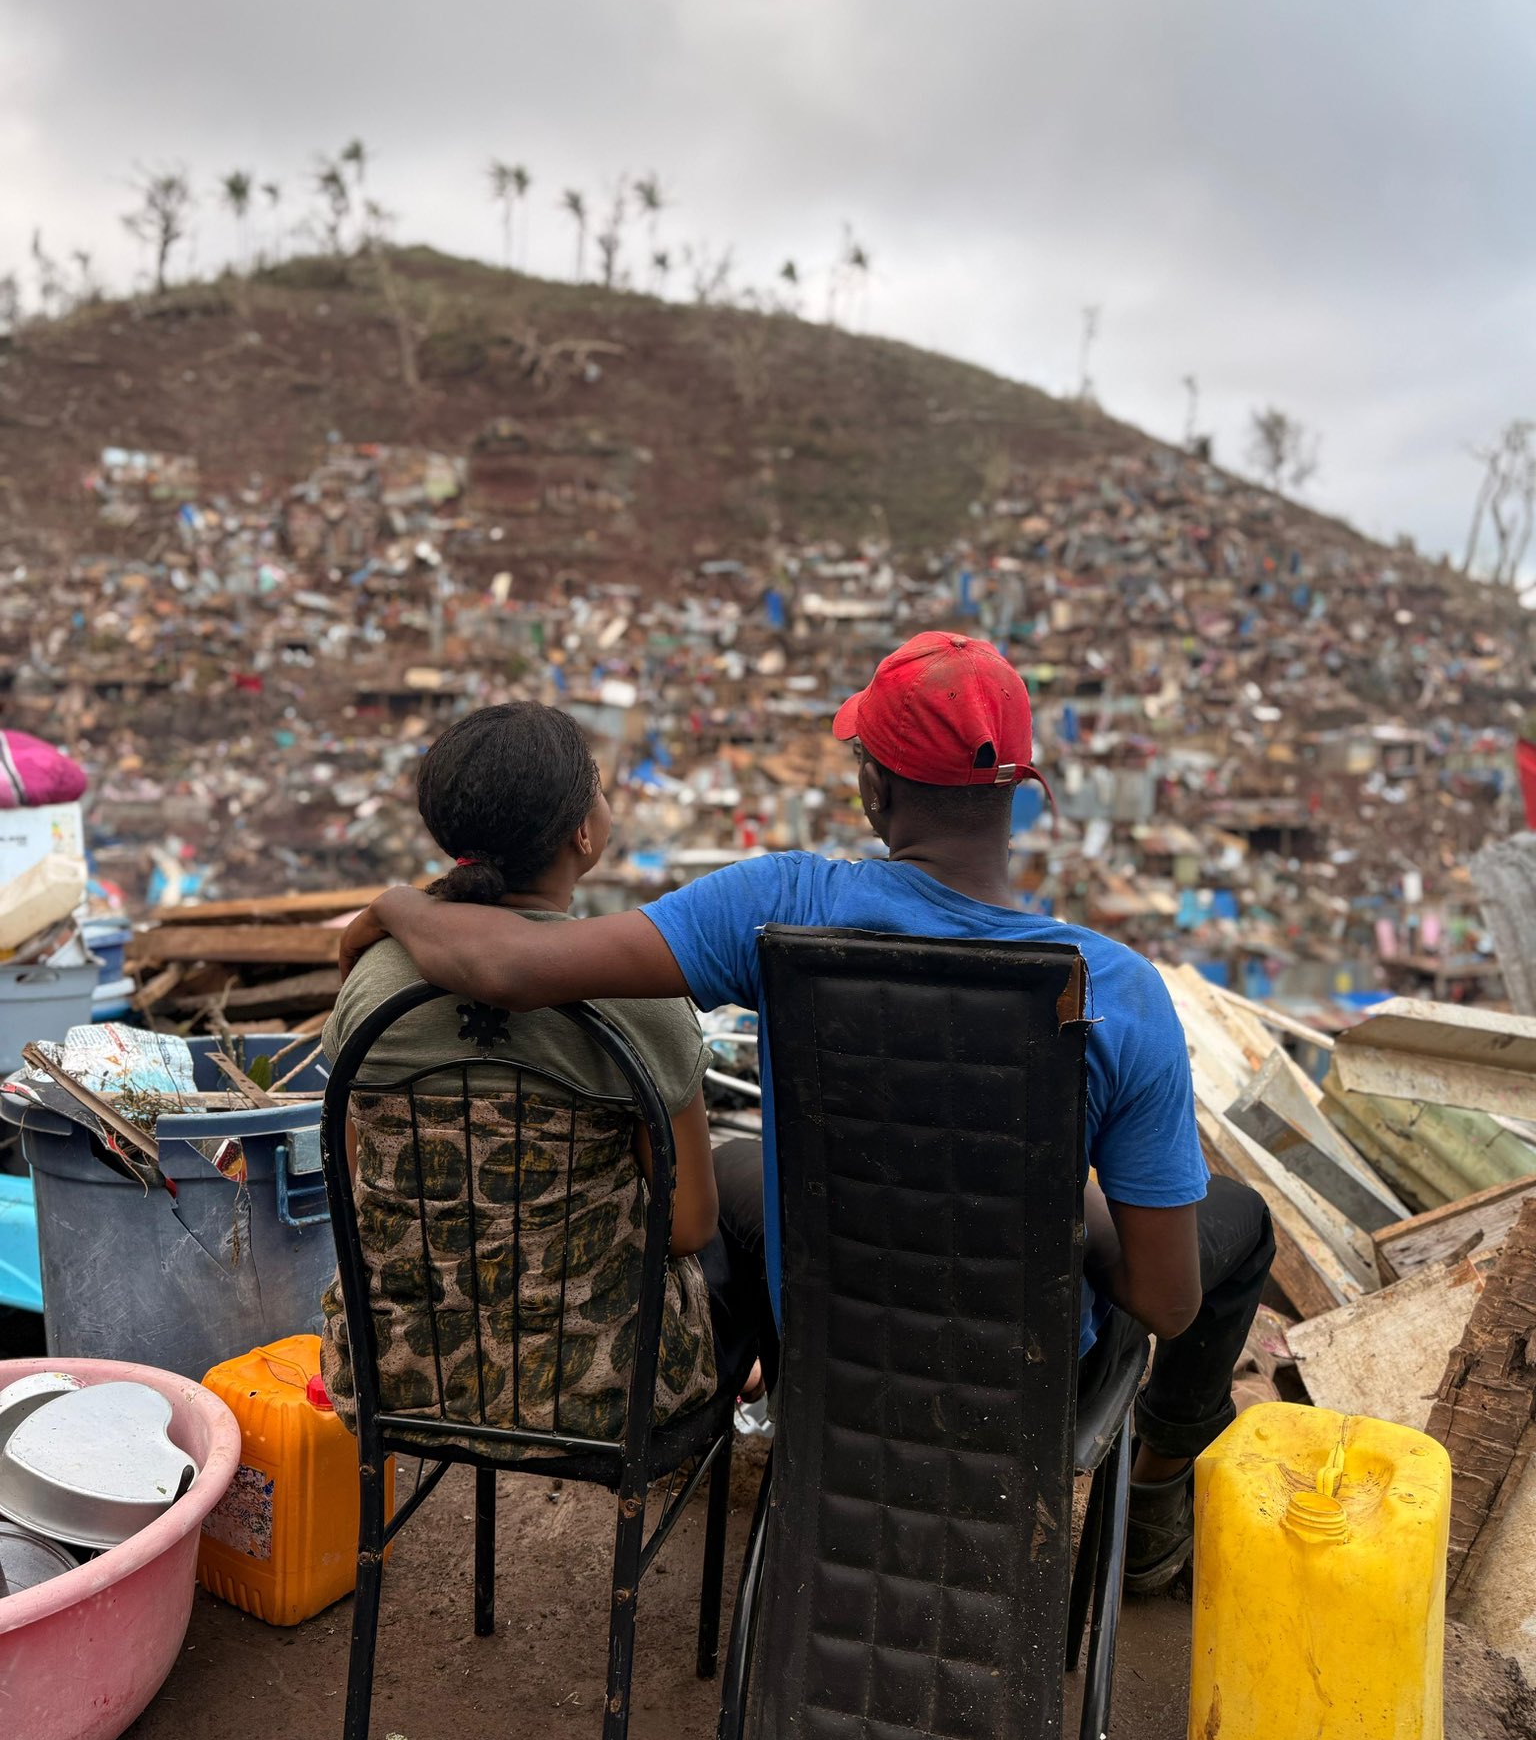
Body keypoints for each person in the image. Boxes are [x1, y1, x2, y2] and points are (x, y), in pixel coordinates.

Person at [339, 633, 1275, 1590]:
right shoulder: (1119, 989)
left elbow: (509, 967)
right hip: (1023, 1390)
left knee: (737, 1170)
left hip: (836, 1366)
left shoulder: (778, 903)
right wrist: (1043, 1202)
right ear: (1017, 792)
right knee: (1243, 1224)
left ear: (874, 785)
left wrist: (397, 906)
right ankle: (1161, 1496)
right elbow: (1164, 1302)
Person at [319, 701, 753, 1447]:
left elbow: (362, 1197)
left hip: (399, 1377)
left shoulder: (374, 984)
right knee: (752, 1214)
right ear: (583, 832)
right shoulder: (641, 999)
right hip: (604, 1391)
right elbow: (686, 1228)